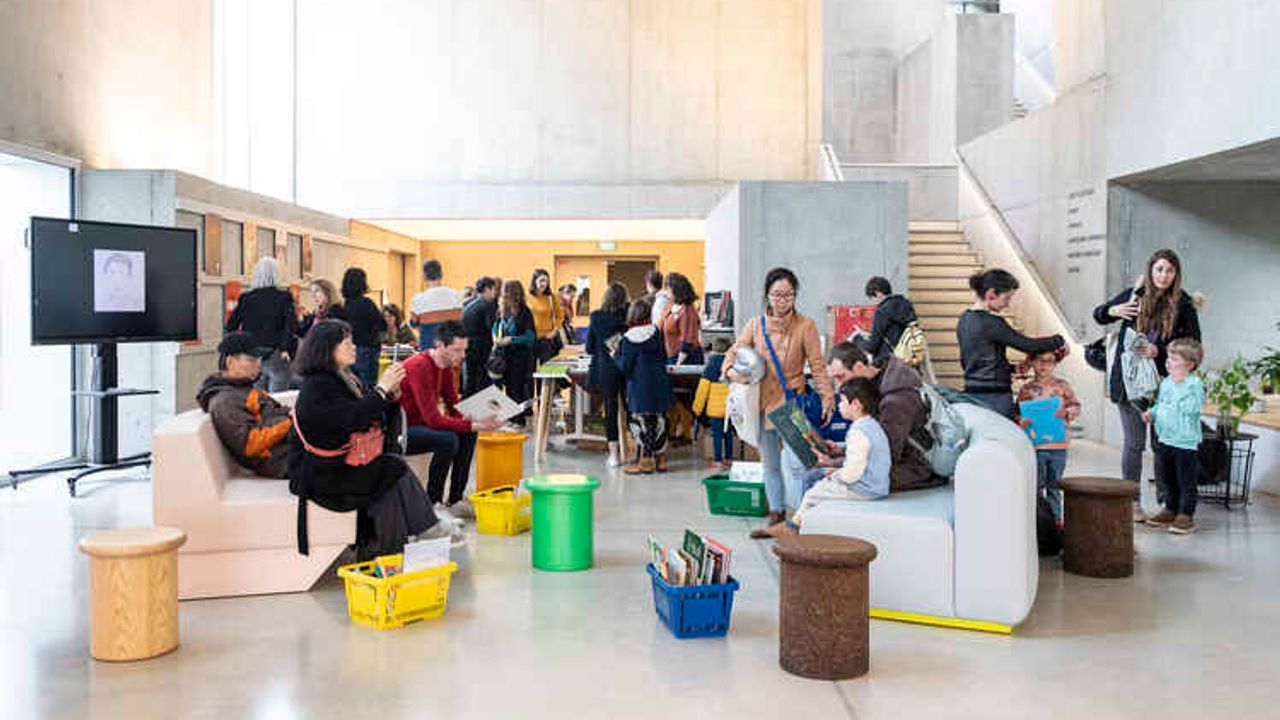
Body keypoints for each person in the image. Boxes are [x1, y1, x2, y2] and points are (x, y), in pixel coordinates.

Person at [287, 320, 459, 559]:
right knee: (389, 471)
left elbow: (367, 411)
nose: (354, 347)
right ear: (328, 348)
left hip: (338, 464)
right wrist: (382, 390)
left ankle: (395, 550)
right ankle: (413, 537)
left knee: (388, 473)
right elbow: (355, 419)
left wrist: (389, 394)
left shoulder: (340, 377)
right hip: (322, 475)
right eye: (347, 343)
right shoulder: (319, 387)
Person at [722, 267, 834, 538]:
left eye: (788, 295)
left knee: (803, 462)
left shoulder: (805, 325)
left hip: (791, 406)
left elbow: (818, 366)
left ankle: (804, 519)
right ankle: (777, 518)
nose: (782, 301)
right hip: (761, 404)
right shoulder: (755, 325)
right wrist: (730, 372)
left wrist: (827, 397)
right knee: (770, 465)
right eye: (776, 295)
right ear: (767, 295)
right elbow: (733, 353)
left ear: (795, 296)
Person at [1094, 248, 1201, 522]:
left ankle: (1168, 504)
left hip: (1165, 386)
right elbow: (1099, 315)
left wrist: (1160, 352)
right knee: (1134, 444)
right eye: (1159, 269)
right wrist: (1113, 310)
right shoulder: (1134, 295)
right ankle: (1132, 503)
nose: (1163, 275)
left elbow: (1194, 346)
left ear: (1176, 274)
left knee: (1164, 445)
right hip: (1129, 384)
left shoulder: (1184, 303)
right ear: (1150, 270)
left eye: (1169, 270)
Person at [400, 321, 505, 518]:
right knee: (448, 440)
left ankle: (455, 500)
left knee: (468, 435)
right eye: (457, 350)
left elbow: (454, 408)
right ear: (440, 345)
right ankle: (433, 503)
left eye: (464, 350)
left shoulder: (446, 367)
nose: (463, 355)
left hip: (420, 425)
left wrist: (478, 416)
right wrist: (474, 424)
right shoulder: (419, 365)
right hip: (400, 431)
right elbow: (433, 420)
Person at [828, 341, 942, 492]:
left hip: (916, 467)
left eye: (841, 377)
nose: (839, 385)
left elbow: (884, 453)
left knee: (836, 479)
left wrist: (832, 463)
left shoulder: (896, 399)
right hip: (904, 459)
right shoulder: (880, 378)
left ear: (859, 367)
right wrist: (841, 451)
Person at [956, 269, 1065, 419]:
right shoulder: (992, 322)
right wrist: (1059, 340)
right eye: (1007, 298)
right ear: (991, 294)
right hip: (995, 397)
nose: (1007, 304)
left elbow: (974, 360)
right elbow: (1029, 345)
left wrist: (1012, 369)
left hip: (972, 394)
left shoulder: (964, 319)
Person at [787, 378, 892, 530]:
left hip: (864, 489)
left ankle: (797, 523)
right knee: (817, 478)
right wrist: (840, 450)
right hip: (877, 485)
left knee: (815, 492)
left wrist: (834, 475)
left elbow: (851, 474)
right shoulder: (872, 425)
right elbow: (862, 454)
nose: (839, 405)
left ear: (855, 405)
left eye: (842, 401)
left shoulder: (858, 431)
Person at [196, 332, 292, 478]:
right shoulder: (225, 400)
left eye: (259, 360)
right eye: (251, 360)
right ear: (230, 362)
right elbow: (249, 443)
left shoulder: (242, 389)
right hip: (284, 462)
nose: (258, 365)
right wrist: (291, 420)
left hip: (294, 450)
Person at [1141, 338, 1205, 535]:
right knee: (1168, 478)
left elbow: (1193, 408)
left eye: (1175, 359)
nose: (1168, 362)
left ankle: (1186, 514)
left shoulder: (1194, 384)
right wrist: (1152, 412)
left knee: (1185, 480)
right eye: (1169, 357)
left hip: (1185, 442)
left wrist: (1178, 391)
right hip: (1166, 438)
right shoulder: (1166, 382)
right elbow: (1162, 404)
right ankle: (1170, 508)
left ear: (1190, 365)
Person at [1015, 347, 1081, 525]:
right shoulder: (1026, 389)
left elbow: (1076, 406)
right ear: (1032, 362)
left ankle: (1056, 522)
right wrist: (1021, 421)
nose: (1044, 365)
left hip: (1058, 446)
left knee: (1054, 487)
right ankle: (1036, 522)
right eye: (1039, 360)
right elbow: (1017, 413)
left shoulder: (1063, 386)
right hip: (1035, 446)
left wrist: (1067, 412)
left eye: (1049, 361)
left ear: (1055, 363)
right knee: (1035, 486)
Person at [224, 257, 298, 391]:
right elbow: (290, 325)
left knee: (256, 396)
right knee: (278, 397)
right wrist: (285, 348)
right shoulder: (284, 297)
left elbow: (231, 325)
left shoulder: (246, 298)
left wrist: (241, 348)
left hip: (252, 355)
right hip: (275, 353)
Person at [616, 298, 672, 474]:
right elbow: (664, 356)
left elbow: (625, 367)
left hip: (640, 385)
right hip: (659, 381)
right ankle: (661, 460)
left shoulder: (628, 339)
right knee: (659, 420)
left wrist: (615, 357)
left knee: (642, 422)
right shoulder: (656, 332)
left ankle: (646, 460)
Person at [585, 282, 630, 468]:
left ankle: (614, 455)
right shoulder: (628, 316)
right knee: (632, 410)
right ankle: (639, 450)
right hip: (627, 368)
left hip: (606, 370)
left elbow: (589, 348)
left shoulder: (596, 317)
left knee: (611, 411)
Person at [493, 279, 536, 411]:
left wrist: (512, 339)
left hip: (520, 358)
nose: (505, 296)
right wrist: (495, 337)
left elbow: (530, 337)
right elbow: (495, 327)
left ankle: (518, 417)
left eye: (507, 293)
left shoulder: (525, 312)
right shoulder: (501, 310)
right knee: (506, 389)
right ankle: (510, 415)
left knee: (517, 390)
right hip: (504, 356)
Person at [692, 337, 734, 470]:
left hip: (714, 410)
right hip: (730, 408)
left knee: (717, 435)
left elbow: (702, 391)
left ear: (714, 350)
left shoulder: (710, 367)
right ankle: (729, 459)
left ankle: (718, 460)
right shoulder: (733, 365)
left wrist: (697, 408)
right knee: (728, 434)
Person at [856, 276, 919, 363]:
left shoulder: (882, 312)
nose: (873, 302)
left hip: (889, 363)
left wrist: (858, 340)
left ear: (877, 293)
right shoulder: (905, 305)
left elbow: (871, 347)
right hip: (909, 360)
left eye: (871, 298)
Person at [341, 268, 384, 389]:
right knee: (368, 385)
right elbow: (381, 324)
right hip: (367, 349)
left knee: (352, 386)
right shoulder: (367, 303)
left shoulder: (345, 305)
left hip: (349, 349)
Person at [409, 259, 462, 351]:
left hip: (429, 350)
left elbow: (414, 324)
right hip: (452, 351)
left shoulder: (418, 299)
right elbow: (459, 323)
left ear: (424, 276)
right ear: (441, 274)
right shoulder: (455, 295)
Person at [461, 277, 500, 397]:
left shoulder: (469, 304)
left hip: (468, 347)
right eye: (493, 289)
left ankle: (466, 406)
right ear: (487, 289)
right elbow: (492, 327)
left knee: (470, 383)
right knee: (482, 384)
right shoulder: (487, 305)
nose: (494, 293)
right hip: (480, 349)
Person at [660, 272, 703, 365]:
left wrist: (678, 364)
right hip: (671, 354)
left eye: (668, 290)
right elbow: (661, 324)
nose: (666, 293)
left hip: (685, 358)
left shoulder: (687, 310)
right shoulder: (670, 305)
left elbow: (687, 339)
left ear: (677, 290)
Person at [527, 268, 563, 364]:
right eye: (541, 280)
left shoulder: (552, 297)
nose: (544, 284)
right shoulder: (527, 298)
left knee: (546, 368)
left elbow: (560, 316)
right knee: (529, 368)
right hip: (530, 338)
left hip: (546, 338)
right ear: (534, 281)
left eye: (546, 281)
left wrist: (554, 331)